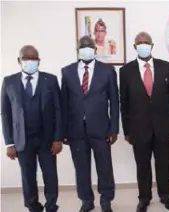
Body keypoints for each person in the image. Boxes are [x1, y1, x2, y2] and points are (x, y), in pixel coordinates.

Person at [119, 32, 169, 212]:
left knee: (163, 164)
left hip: (162, 127)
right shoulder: (125, 71)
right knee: (142, 166)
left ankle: (166, 196)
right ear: (135, 46)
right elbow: (124, 102)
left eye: (146, 42)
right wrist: (127, 130)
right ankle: (144, 198)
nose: (143, 45)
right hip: (139, 128)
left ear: (152, 46)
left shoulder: (165, 67)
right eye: (140, 42)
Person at [1, 45, 63, 212]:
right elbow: (5, 114)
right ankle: (33, 206)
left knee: (50, 175)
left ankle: (51, 206)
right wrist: (9, 143)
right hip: (23, 139)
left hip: (47, 139)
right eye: (26, 58)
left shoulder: (50, 80)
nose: (30, 61)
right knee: (28, 177)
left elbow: (58, 109)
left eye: (33, 58)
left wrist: (58, 138)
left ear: (39, 61)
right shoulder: (9, 82)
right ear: (19, 61)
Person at [61, 35, 119, 212]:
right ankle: (86, 200)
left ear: (95, 50)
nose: (86, 49)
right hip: (75, 130)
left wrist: (114, 129)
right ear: (78, 50)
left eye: (89, 47)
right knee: (81, 168)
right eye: (82, 47)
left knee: (105, 167)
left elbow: (114, 102)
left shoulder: (107, 71)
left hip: (101, 129)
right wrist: (63, 130)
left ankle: (106, 200)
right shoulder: (67, 71)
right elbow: (64, 103)